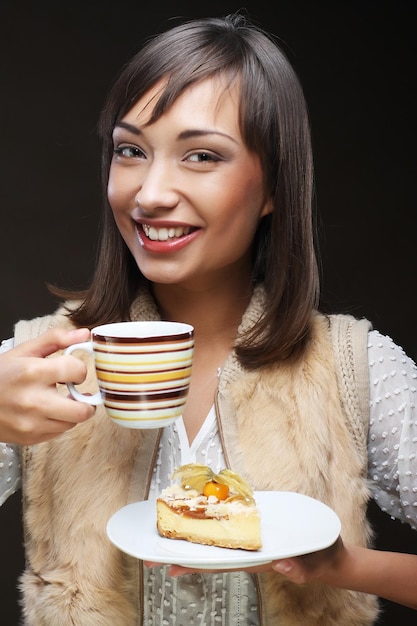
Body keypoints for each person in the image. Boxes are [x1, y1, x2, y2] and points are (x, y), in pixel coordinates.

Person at [0, 12, 416, 626]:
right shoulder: (36, 361)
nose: (149, 194)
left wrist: (340, 566)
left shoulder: (356, 369)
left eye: (200, 155)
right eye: (131, 150)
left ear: (274, 184)